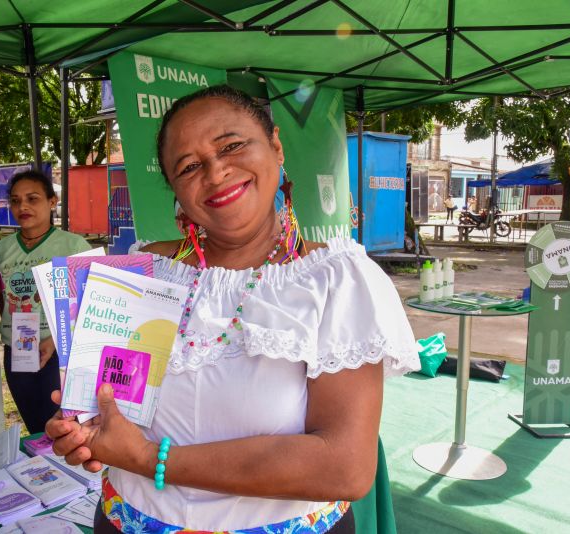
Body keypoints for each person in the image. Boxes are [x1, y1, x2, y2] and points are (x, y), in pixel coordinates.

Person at [46, 85, 419, 533]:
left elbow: (344, 466)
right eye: (189, 167)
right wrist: (86, 430)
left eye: (233, 145)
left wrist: (149, 459)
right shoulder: (143, 271)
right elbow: (110, 400)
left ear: (276, 147)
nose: (217, 172)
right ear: (175, 190)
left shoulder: (337, 280)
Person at [0, 170, 91, 434]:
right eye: (15, 200)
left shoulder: (74, 246)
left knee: (66, 429)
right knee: (37, 428)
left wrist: (57, 340)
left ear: (52, 201)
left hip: (61, 354)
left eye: (32, 198)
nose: (22, 206)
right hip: (19, 350)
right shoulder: (1, 251)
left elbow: (91, 303)